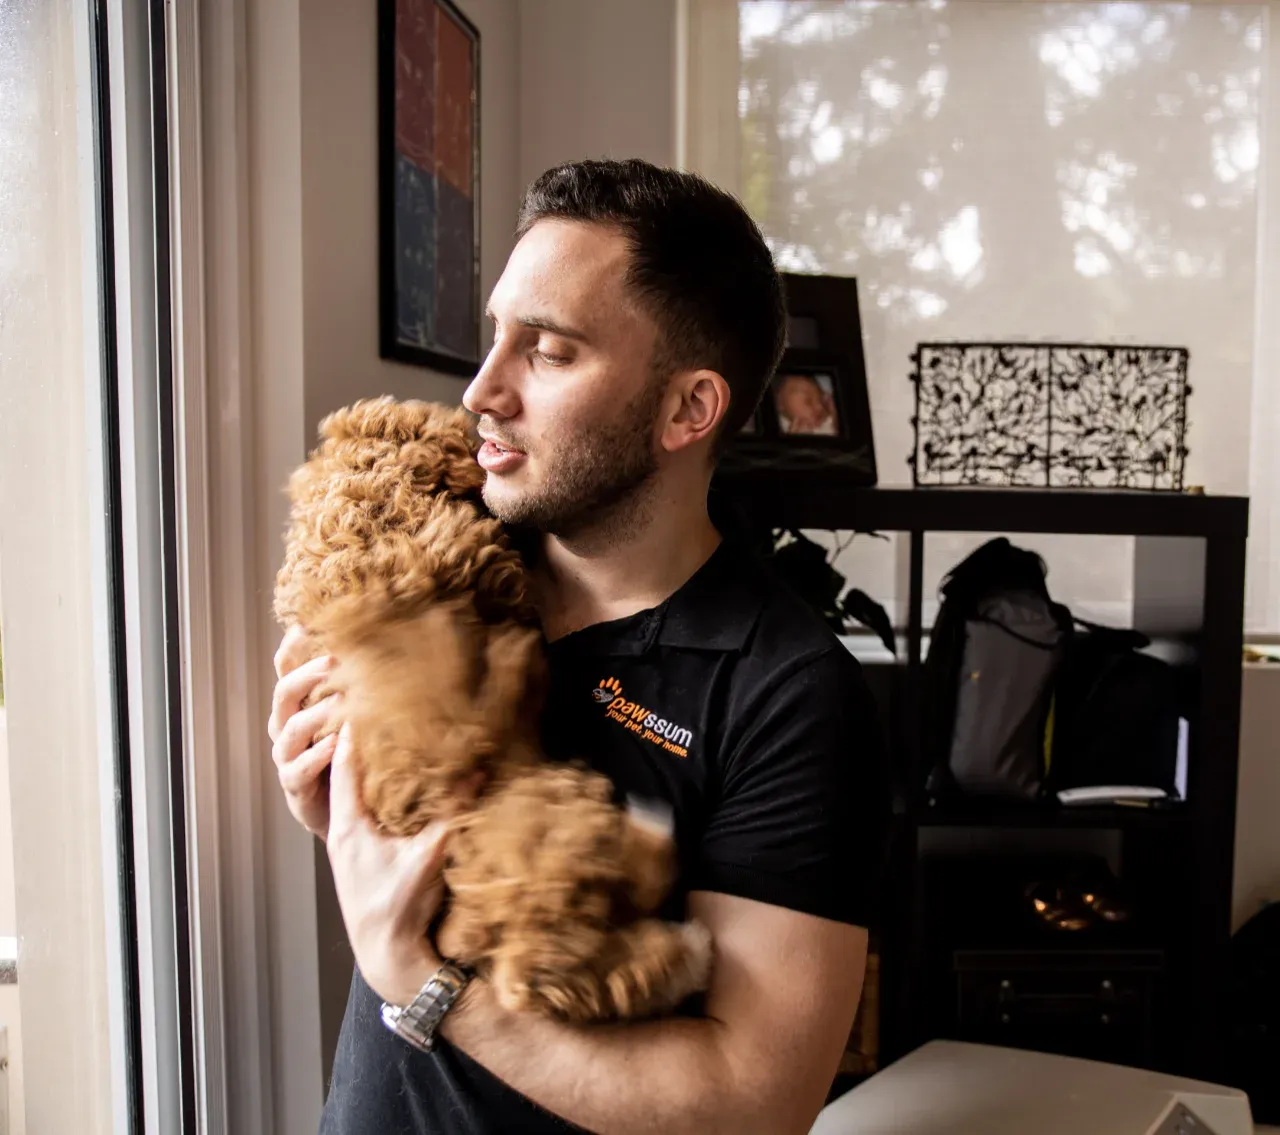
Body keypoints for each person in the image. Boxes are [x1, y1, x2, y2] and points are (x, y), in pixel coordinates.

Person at [268, 158, 885, 1135]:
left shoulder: (788, 692)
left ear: (689, 408)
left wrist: (424, 981)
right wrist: (351, 812)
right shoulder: (443, 566)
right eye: (494, 337)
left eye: (547, 352)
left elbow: (748, 1100)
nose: (482, 390)